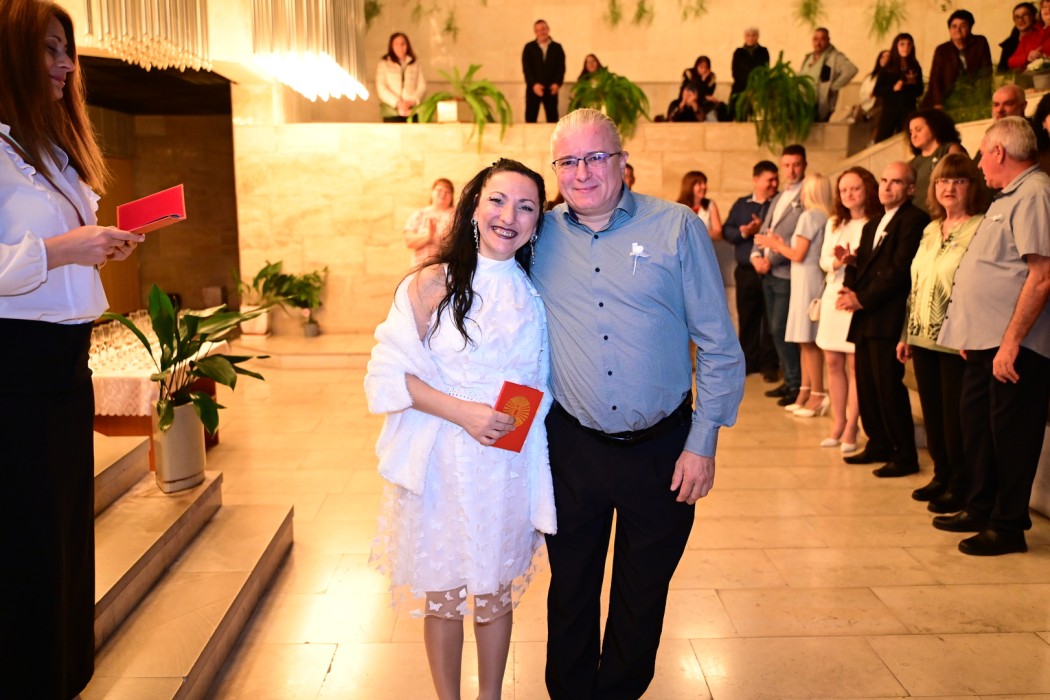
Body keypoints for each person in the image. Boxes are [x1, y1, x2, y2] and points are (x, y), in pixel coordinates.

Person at [533, 108, 745, 699]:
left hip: (663, 451)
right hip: (572, 448)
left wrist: (703, 443)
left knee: (642, 594)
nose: (582, 173)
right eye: (568, 161)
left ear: (623, 161)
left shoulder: (676, 227)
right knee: (570, 589)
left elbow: (718, 345)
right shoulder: (538, 234)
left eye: (596, 157)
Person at [365, 158, 556, 698]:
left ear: (537, 222)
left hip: (505, 465)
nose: (508, 216)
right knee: (445, 595)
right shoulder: (432, 282)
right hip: (443, 463)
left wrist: (510, 426)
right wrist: (463, 412)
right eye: (497, 200)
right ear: (473, 206)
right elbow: (387, 374)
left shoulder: (537, 292)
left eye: (525, 207)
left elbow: (538, 380)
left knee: (494, 594)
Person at [0, 2, 145, 697]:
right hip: (14, 368)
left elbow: (59, 258)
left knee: (62, 537)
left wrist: (98, 245)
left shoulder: (52, 154)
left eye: (68, 51)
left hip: (64, 367)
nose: (66, 66)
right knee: (26, 538)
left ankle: (61, 673)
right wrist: (63, 249)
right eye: (50, 50)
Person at [934, 117, 1050, 556]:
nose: (980, 164)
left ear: (999, 152)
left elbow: (1041, 275)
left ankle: (1007, 526)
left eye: (983, 154)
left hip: (1015, 345)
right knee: (979, 429)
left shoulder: (1035, 192)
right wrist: (971, 329)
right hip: (985, 340)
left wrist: (1011, 341)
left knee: (1012, 436)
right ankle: (980, 507)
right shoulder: (1008, 196)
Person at [897, 154, 987, 513]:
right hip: (922, 334)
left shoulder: (980, 227)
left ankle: (960, 483)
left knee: (955, 418)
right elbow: (916, 283)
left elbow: (977, 286)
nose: (949, 188)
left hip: (956, 338)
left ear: (972, 187)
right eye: (942, 181)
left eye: (958, 181)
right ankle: (942, 474)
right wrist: (905, 333)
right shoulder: (931, 229)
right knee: (933, 412)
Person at [837, 162, 929, 476]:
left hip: (888, 315)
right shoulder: (872, 224)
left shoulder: (915, 220)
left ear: (911, 189)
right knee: (867, 386)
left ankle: (904, 454)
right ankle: (877, 442)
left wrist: (861, 298)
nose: (887, 187)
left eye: (896, 182)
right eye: (884, 180)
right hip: (865, 318)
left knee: (888, 387)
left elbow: (900, 270)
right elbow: (860, 262)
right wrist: (849, 286)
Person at [754, 174, 832, 417]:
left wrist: (774, 244)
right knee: (803, 340)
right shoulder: (822, 215)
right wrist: (779, 242)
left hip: (806, 278)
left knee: (807, 341)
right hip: (805, 276)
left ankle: (816, 394)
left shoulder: (810, 216)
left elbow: (798, 254)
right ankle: (804, 392)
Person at [815, 168, 882, 452]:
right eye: (843, 190)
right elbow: (823, 260)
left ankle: (852, 425)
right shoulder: (835, 223)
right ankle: (838, 422)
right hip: (833, 294)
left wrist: (855, 260)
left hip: (856, 298)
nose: (848, 194)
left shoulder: (875, 222)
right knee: (832, 362)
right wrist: (839, 262)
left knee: (855, 366)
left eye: (855, 188)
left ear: (867, 189)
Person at [753, 144, 807, 406]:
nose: (791, 170)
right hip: (768, 273)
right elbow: (765, 230)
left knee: (780, 328)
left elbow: (798, 238)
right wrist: (756, 257)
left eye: (796, 165)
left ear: (804, 165)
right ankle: (789, 380)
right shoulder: (778, 197)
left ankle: (796, 384)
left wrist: (770, 259)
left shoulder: (806, 197)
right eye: (786, 165)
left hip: (786, 273)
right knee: (776, 332)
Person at [723, 160, 780, 380]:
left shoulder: (780, 202)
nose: (774, 184)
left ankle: (770, 365)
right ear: (756, 180)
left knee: (771, 321)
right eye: (769, 180)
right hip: (746, 271)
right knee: (747, 319)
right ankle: (749, 362)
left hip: (773, 270)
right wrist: (745, 232)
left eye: (776, 179)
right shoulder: (742, 204)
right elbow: (727, 231)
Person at [921, 10, 993, 114]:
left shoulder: (980, 42)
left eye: (963, 26)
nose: (957, 30)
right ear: (949, 29)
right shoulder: (942, 50)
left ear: (970, 27)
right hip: (946, 96)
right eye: (954, 26)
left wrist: (984, 98)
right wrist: (938, 103)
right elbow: (935, 79)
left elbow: (986, 72)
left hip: (971, 95)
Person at [907, 109, 967, 215]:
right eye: (911, 132)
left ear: (934, 127)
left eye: (918, 129)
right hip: (918, 218)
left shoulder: (951, 149)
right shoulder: (911, 163)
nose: (913, 135)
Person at [799, 27, 858, 122]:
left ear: (828, 40)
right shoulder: (808, 57)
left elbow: (851, 70)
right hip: (803, 103)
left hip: (819, 104)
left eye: (822, 39)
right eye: (815, 39)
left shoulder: (834, 57)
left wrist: (833, 87)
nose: (818, 43)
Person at [874, 34, 923, 143]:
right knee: (882, 140)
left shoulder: (915, 66)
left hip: (908, 109)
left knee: (906, 140)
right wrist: (893, 88)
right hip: (890, 109)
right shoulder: (888, 67)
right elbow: (877, 90)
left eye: (909, 45)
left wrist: (913, 84)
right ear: (896, 46)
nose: (905, 48)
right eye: (902, 44)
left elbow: (919, 91)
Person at [522, 19, 566, 124]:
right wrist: (534, 84)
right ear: (535, 32)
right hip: (533, 89)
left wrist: (557, 83)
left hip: (551, 89)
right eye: (538, 30)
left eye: (543, 29)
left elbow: (561, 68)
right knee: (530, 120)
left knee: (552, 120)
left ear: (548, 29)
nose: (541, 32)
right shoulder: (529, 48)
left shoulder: (557, 48)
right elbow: (526, 69)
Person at [376, 32, 426, 123]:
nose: (400, 47)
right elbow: (381, 87)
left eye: (403, 44)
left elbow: (422, 86)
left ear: (407, 45)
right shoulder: (384, 64)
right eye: (396, 44)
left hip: (412, 110)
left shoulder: (415, 63)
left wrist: (411, 102)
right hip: (391, 111)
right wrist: (398, 103)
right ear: (391, 46)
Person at [404, 178, 455, 265]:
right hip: (419, 266)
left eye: (447, 192)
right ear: (432, 192)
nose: (443, 194)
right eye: (439, 190)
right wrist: (428, 236)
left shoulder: (458, 216)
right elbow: (409, 241)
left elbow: (460, 244)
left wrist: (437, 238)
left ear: (452, 196)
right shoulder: (420, 214)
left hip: (445, 266)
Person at [730, 27, 770, 121]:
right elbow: (735, 71)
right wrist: (747, 87)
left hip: (758, 88)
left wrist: (755, 86)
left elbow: (765, 69)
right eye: (748, 36)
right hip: (741, 88)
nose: (750, 38)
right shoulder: (738, 52)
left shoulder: (763, 51)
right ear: (744, 37)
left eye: (753, 35)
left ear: (757, 36)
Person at [850, 50, 889, 128]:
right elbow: (863, 93)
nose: (885, 59)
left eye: (888, 57)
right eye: (882, 57)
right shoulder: (870, 77)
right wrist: (870, 94)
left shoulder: (893, 76)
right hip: (869, 104)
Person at [680, 55, 727, 121]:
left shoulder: (710, 79)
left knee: (717, 110)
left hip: (703, 105)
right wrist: (702, 82)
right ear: (696, 67)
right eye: (701, 67)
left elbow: (708, 94)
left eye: (706, 67)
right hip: (688, 104)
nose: (704, 70)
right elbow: (687, 92)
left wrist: (704, 80)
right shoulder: (689, 76)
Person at [1006, 2, 1041, 72]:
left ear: (1033, 16)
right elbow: (1010, 62)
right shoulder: (1010, 43)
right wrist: (1027, 57)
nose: (1020, 20)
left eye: (1025, 15)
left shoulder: (1041, 32)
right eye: (1017, 17)